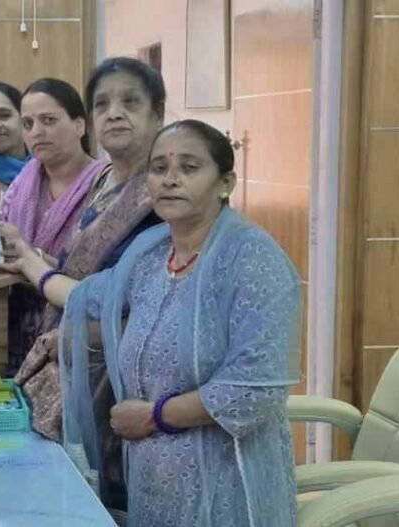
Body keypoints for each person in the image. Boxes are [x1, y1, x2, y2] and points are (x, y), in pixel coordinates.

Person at [59, 119, 302, 526]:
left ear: (225, 183)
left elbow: (254, 390)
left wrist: (153, 417)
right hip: (153, 483)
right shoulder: (150, 256)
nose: (170, 179)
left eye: (189, 168)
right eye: (159, 168)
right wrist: (31, 266)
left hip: (226, 485)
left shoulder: (253, 261)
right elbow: (88, 299)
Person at [0, 57, 167, 515]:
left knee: (113, 498)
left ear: (157, 114)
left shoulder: (163, 193)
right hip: (78, 361)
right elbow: (83, 269)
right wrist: (31, 257)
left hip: (125, 373)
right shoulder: (106, 180)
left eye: (130, 102)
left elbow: (120, 302)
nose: (114, 113)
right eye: (103, 104)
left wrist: (33, 264)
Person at [0, 78, 108, 371]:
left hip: (77, 332)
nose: (37, 131)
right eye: (28, 123)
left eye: (48, 120)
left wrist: (34, 258)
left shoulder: (105, 185)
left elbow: (101, 273)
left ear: (79, 126)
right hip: (14, 326)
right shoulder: (22, 182)